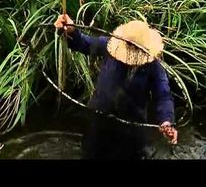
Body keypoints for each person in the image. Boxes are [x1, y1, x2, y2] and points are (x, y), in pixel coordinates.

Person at [54, 14, 178, 159]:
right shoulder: (111, 46)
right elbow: (84, 43)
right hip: (99, 120)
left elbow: (163, 96)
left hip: (131, 128)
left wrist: (166, 121)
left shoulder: (154, 66)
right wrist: (71, 31)